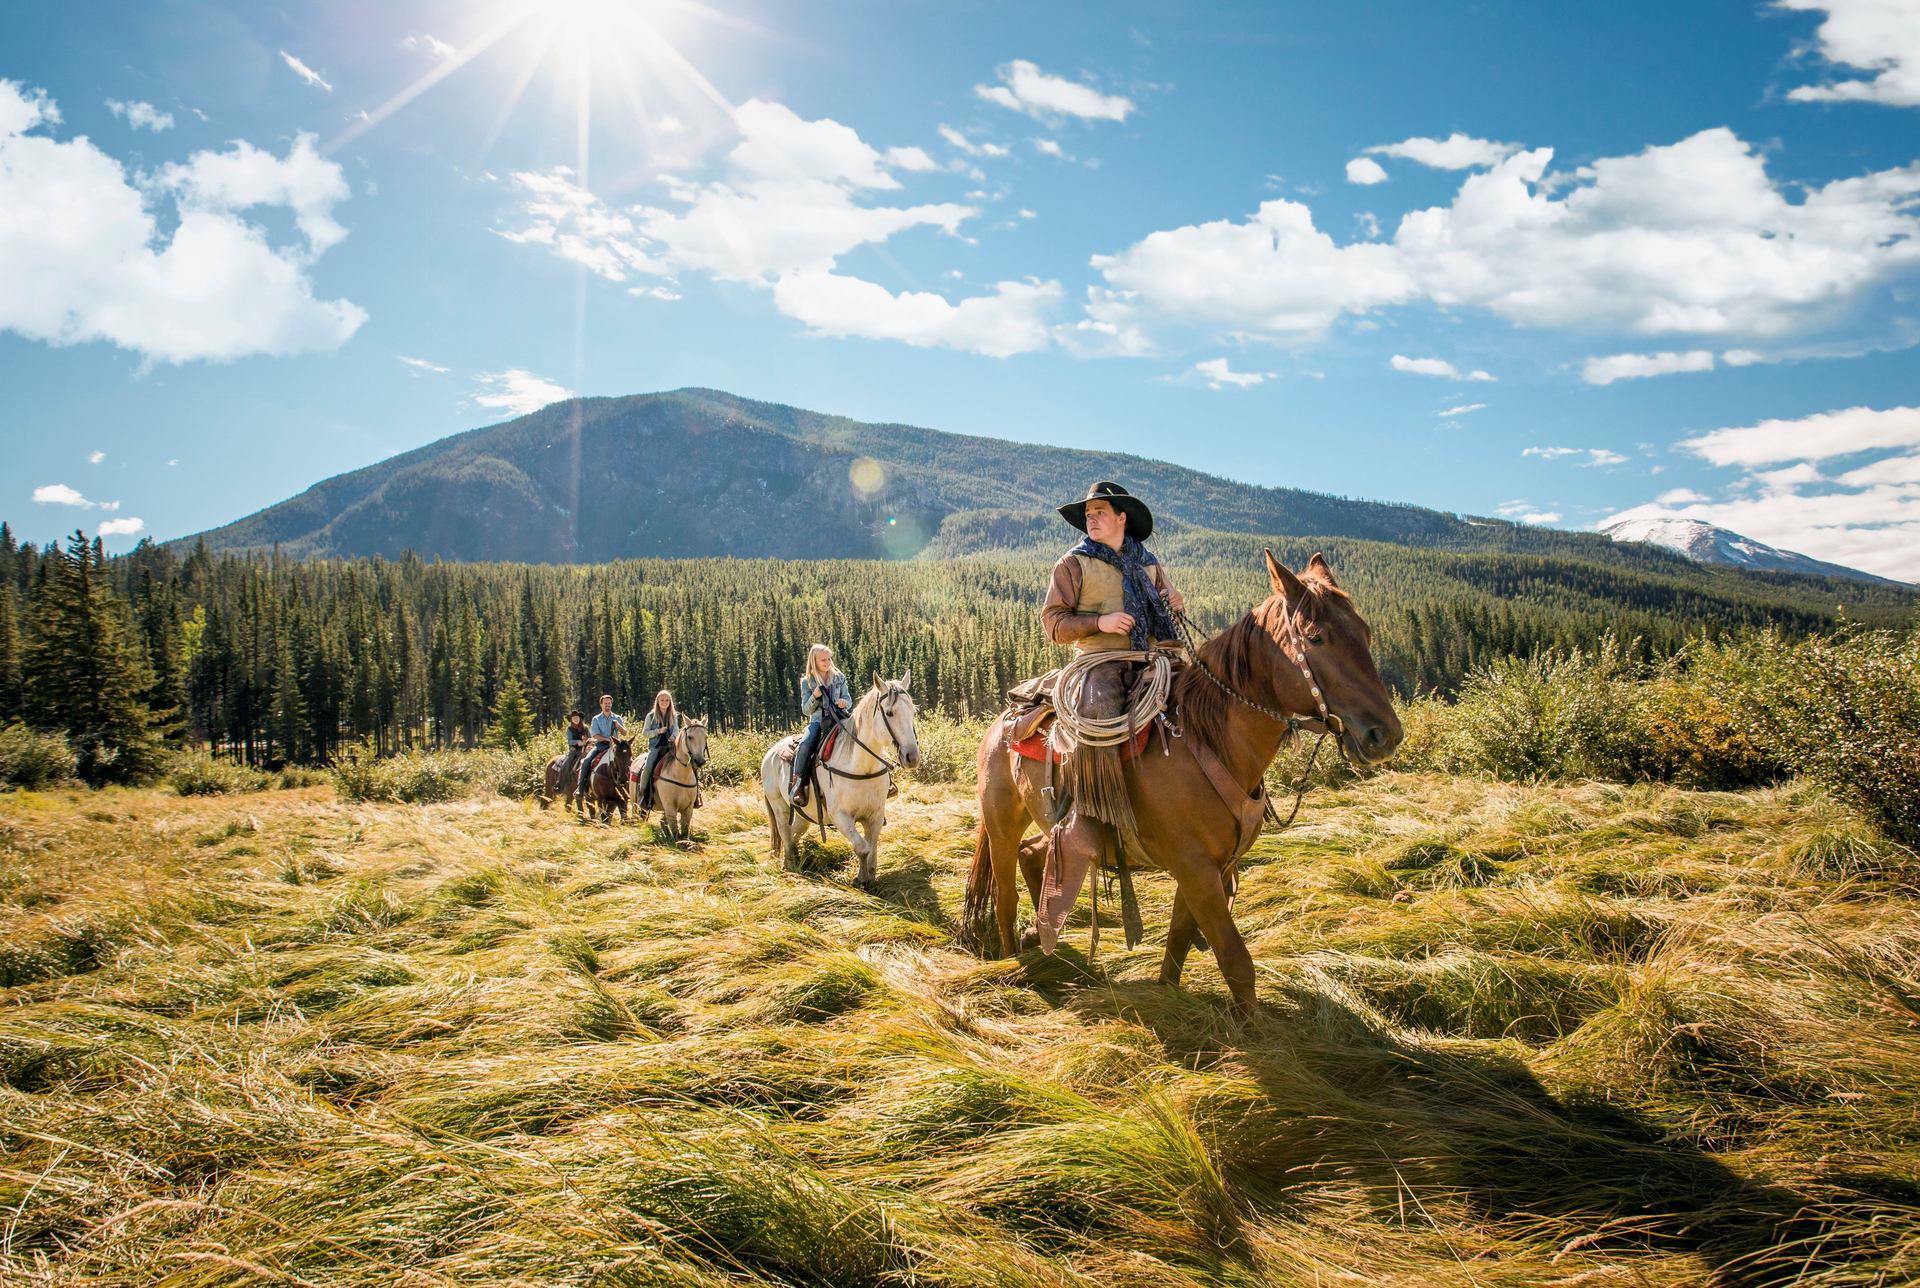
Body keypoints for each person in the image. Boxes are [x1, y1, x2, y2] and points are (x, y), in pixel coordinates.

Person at [1035, 481, 1185, 939]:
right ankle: (1093, 815)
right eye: (1088, 514)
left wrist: (1175, 603)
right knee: (1098, 715)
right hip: (1099, 662)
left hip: (1155, 658)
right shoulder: (1073, 562)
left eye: (1099, 512)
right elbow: (1053, 623)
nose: (1091, 519)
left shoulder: (1148, 563)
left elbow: (1168, 609)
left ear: (1122, 518)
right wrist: (1099, 622)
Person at [789, 643, 850, 807]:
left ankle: (884, 782)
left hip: (840, 718)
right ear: (814, 661)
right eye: (823, 660)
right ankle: (799, 785)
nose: (827, 662)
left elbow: (848, 700)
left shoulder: (839, 677)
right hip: (818, 721)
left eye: (829, 658)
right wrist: (815, 696)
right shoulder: (807, 682)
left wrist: (844, 702)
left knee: (864, 734)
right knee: (806, 743)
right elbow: (806, 710)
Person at [635, 689, 681, 810]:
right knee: (648, 766)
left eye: (667, 700)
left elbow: (676, 730)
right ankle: (643, 793)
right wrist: (657, 731)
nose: (664, 702)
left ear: (670, 702)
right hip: (656, 747)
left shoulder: (674, 715)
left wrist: (673, 737)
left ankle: (694, 794)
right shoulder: (650, 715)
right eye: (662, 700)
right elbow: (645, 733)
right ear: (657, 701)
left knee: (686, 762)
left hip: (670, 747)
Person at [578, 694, 628, 797]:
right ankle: (581, 788)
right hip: (600, 746)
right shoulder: (596, 719)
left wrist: (618, 726)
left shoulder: (617, 718)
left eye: (609, 703)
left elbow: (624, 733)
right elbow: (595, 735)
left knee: (628, 761)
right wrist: (606, 739)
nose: (607, 705)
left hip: (615, 747)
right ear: (601, 705)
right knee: (587, 761)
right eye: (605, 703)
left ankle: (631, 787)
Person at [556, 710, 588, 799]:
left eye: (577, 717)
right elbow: (570, 741)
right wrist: (577, 742)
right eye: (574, 718)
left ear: (580, 718)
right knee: (566, 763)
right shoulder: (570, 729)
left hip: (586, 749)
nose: (576, 719)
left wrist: (587, 741)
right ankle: (560, 784)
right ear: (571, 719)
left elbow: (590, 737)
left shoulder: (585, 728)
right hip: (574, 750)